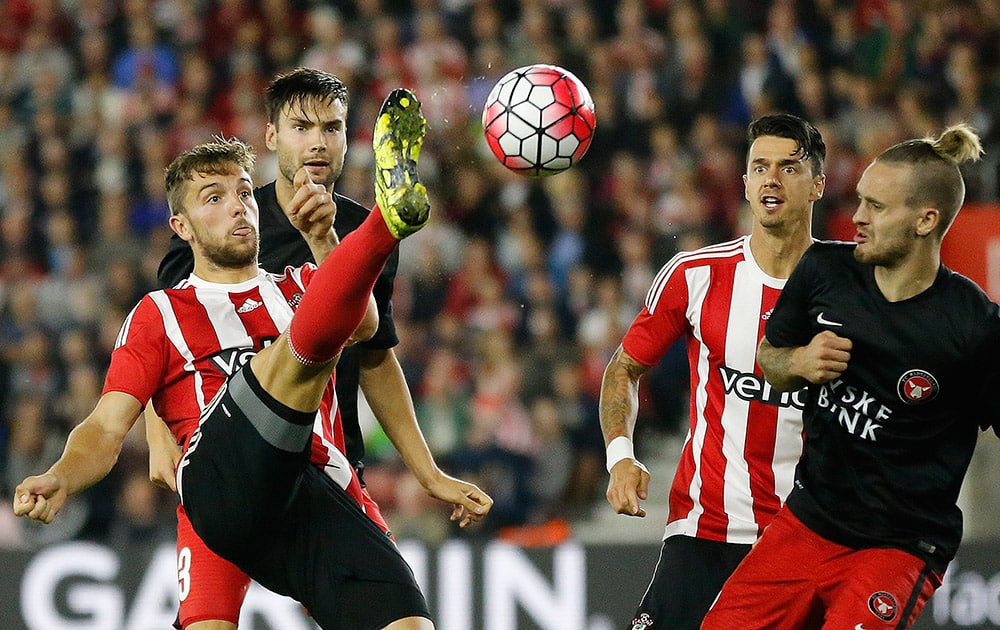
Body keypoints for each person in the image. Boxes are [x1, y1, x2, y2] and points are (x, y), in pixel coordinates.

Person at [14, 91, 492, 630]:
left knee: (407, 626)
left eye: (243, 193)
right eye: (212, 198)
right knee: (292, 357)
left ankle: (386, 219)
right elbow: (104, 427)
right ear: (182, 227)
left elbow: (365, 329)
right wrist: (62, 475)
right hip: (220, 482)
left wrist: (322, 238)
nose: (237, 206)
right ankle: (387, 221)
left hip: (316, 485)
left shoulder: (299, 285)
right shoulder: (160, 314)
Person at [702, 124, 1000, 629]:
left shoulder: (973, 326)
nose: (857, 217)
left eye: (877, 207)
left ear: (926, 220)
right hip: (806, 523)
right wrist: (798, 363)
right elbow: (770, 355)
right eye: (860, 200)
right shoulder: (825, 271)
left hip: (899, 547)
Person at [600, 113, 826, 630]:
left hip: (809, 534)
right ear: (744, 183)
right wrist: (621, 456)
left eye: (789, 168)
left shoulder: (851, 288)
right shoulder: (695, 274)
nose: (771, 178)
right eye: (759, 167)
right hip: (706, 531)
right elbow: (624, 369)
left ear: (818, 184)